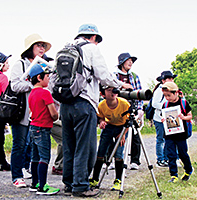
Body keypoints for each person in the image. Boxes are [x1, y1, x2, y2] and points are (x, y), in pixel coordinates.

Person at [57, 23, 130, 198]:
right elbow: (103, 75)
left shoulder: (65, 48)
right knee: (85, 146)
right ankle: (81, 185)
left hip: (65, 103)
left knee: (69, 145)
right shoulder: (91, 49)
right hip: (83, 103)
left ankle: (68, 183)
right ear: (94, 37)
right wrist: (121, 84)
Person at [9, 33, 51, 187]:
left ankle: (32, 175)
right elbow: (14, 86)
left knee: (33, 146)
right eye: (38, 45)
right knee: (19, 144)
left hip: (39, 113)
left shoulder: (44, 65)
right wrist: (33, 84)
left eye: (43, 46)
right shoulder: (20, 64)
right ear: (30, 48)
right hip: (22, 111)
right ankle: (16, 176)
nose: (42, 49)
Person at [89, 85, 130, 191]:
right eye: (109, 90)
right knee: (101, 152)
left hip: (122, 127)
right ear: (102, 94)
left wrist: (123, 134)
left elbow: (129, 122)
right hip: (109, 127)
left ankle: (118, 180)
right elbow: (101, 117)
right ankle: (95, 178)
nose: (113, 92)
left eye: (114, 90)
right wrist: (102, 122)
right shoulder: (101, 105)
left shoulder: (124, 104)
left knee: (118, 153)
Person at [27, 63, 60, 195]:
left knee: (35, 157)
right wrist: (56, 115)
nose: (48, 79)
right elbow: (53, 114)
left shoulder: (31, 94)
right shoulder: (45, 93)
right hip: (43, 128)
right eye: (47, 76)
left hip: (33, 127)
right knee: (44, 157)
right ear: (39, 77)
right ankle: (43, 186)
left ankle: (34, 183)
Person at [116, 53, 144, 170]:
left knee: (135, 134)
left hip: (132, 107)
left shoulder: (134, 76)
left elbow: (139, 92)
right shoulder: (114, 75)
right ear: (122, 62)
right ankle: (115, 159)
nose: (131, 63)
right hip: (118, 108)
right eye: (128, 60)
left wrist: (140, 109)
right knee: (117, 134)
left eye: (132, 61)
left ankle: (135, 160)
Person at [161, 82, 193, 183]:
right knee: (171, 154)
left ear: (176, 93)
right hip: (169, 133)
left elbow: (190, 116)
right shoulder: (165, 104)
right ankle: (173, 175)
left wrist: (184, 117)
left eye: (169, 95)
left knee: (183, 153)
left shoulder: (183, 103)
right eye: (165, 95)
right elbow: (164, 117)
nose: (167, 98)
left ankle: (188, 170)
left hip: (181, 134)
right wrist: (163, 120)